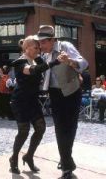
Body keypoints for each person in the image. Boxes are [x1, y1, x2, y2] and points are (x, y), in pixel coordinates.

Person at [35, 25, 88, 179]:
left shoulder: (65, 46)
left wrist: (70, 61)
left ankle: (66, 164)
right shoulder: (44, 55)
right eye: (39, 43)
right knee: (59, 129)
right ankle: (66, 163)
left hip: (71, 93)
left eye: (43, 42)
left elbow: (83, 63)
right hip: (55, 94)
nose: (41, 46)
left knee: (69, 128)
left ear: (53, 40)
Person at [9, 35, 60, 174]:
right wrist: (54, 62)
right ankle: (14, 159)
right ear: (26, 48)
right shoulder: (20, 62)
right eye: (36, 47)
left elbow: (42, 67)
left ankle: (29, 156)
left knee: (40, 128)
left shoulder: (37, 59)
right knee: (23, 131)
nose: (39, 49)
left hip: (32, 100)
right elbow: (32, 70)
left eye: (39, 47)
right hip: (20, 101)